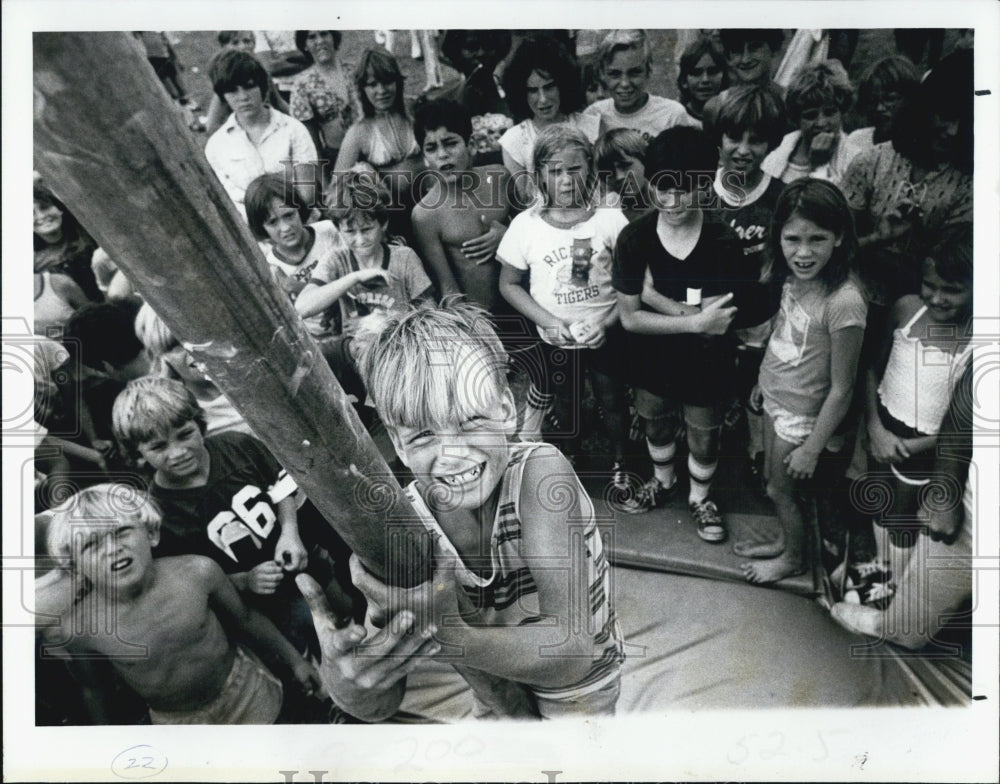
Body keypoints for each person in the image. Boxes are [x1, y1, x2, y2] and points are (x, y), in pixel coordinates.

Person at [343, 302, 626, 718]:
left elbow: (571, 649)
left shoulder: (540, 474)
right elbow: (376, 703)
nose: (452, 454)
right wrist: (346, 674)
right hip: (493, 676)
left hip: (579, 686)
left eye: (470, 420)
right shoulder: (409, 522)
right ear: (399, 444)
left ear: (507, 410)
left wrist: (446, 637)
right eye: (423, 434)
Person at [110, 377, 361, 654]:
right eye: (159, 447)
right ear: (137, 453)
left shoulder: (238, 445)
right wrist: (244, 580)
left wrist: (290, 533)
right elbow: (190, 575)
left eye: (184, 434)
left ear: (199, 423)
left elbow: (281, 490)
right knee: (317, 638)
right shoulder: (159, 512)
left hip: (305, 559)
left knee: (347, 608)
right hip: (267, 601)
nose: (178, 452)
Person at [35, 483, 320, 724]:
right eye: (91, 544)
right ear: (75, 566)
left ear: (151, 533)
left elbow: (245, 618)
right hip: (174, 721)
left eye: (121, 531)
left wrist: (296, 661)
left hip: (246, 689)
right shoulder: (80, 628)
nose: (112, 548)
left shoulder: (198, 572)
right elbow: (94, 689)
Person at [612, 126, 744, 536]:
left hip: (707, 364)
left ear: (705, 185)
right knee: (656, 424)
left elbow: (715, 324)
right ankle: (663, 482)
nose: (671, 201)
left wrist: (654, 298)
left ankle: (700, 498)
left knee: (704, 437)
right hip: (652, 360)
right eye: (662, 189)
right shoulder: (634, 238)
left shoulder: (722, 239)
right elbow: (630, 318)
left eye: (684, 190)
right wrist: (691, 318)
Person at [744, 179, 867, 584]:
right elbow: (785, 333)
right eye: (793, 238)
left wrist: (812, 448)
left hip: (801, 415)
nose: (803, 251)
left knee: (783, 491)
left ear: (840, 238)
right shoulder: (792, 279)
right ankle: (786, 541)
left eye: (817, 239)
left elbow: (843, 388)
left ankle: (795, 558)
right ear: (778, 235)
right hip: (774, 397)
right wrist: (764, 378)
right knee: (770, 480)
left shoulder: (844, 301)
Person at [497, 124, 631, 486]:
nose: (567, 180)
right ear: (539, 175)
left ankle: (622, 460)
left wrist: (606, 325)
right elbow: (509, 285)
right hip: (556, 338)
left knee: (612, 398)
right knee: (566, 401)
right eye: (555, 171)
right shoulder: (525, 226)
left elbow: (631, 285)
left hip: (605, 333)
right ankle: (569, 457)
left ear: (590, 167)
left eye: (575, 168)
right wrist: (549, 320)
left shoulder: (610, 220)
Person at [854, 226, 973, 609]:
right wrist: (874, 426)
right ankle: (880, 568)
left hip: (922, 450)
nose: (936, 298)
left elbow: (965, 422)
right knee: (879, 504)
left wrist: (911, 445)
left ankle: (893, 587)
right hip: (882, 429)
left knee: (903, 523)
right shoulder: (907, 308)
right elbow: (872, 366)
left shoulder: (978, 340)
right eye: (930, 284)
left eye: (952, 290)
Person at [831, 355, 974, 649]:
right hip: (977, 519)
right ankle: (891, 587)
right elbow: (967, 404)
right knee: (905, 630)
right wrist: (947, 488)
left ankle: (894, 584)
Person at [841, 49, 973, 312]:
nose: (953, 131)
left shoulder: (968, 187)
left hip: (920, 315)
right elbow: (832, 246)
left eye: (967, 121)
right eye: (946, 116)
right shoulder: (873, 161)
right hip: (848, 302)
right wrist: (878, 239)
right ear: (925, 108)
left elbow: (950, 278)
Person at [708, 84, 788, 487]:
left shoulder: (780, 197)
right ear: (719, 137)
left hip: (761, 317)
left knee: (757, 393)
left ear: (771, 144)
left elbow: (786, 266)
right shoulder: (702, 192)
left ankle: (759, 457)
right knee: (712, 391)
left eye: (756, 140)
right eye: (734, 137)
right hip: (707, 314)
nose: (743, 148)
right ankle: (708, 452)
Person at [294, 171, 434, 393]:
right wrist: (354, 277)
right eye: (350, 231)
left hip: (405, 355)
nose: (360, 240)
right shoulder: (336, 260)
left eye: (367, 229)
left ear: (383, 223)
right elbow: (302, 307)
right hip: (360, 361)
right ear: (339, 229)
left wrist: (381, 324)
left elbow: (430, 317)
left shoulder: (403, 258)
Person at [410, 99, 514, 322]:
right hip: (480, 318)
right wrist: (472, 330)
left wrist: (508, 235)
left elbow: (537, 230)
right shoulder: (426, 214)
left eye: (450, 143)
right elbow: (448, 288)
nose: (442, 155)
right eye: (432, 148)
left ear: (472, 144)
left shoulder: (500, 179)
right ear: (425, 158)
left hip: (526, 301)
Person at [204, 49, 318, 209]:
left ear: (262, 86)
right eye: (232, 90)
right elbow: (229, 202)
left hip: (298, 218)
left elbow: (307, 194)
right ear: (222, 95)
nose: (243, 97)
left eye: (249, 87)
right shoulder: (216, 146)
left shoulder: (293, 130)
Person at [244, 173, 347, 340]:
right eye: (273, 222)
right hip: (318, 341)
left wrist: (296, 286)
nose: (285, 228)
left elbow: (355, 277)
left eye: (289, 215)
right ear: (262, 227)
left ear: (299, 210)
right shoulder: (272, 267)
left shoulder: (328, 232)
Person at [497, 34, 600, 200]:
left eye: (549, 87)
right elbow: (526, 203)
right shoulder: (513, 141)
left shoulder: (590, 127)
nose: (543, 99)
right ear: (521, 93)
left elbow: (601, 189)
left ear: (563, 84)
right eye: (532, 90)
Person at [133, 302, 254, 437]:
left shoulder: (256, 379)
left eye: (198, 337)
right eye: (176, 345)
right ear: (161, 357)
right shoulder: (176, 416)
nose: (192, 351)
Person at [761, 60, 864, 186]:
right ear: (796, 118)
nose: (821, 123)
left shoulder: (855, 159)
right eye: (810, 116)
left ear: (841, 111)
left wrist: (820, 165)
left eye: (830, 112)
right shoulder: (781, 147)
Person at [583, 30, 699, 141]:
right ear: (602, 74)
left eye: (634, 73)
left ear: (648, 71)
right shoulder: (593, 115)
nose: (625, 83)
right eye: (615, 74)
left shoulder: (672, 115)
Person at [436, 30, 514, 164]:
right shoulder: (444, 102)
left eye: (489, 46)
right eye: (472, 48)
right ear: (457, 52)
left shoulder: (513, 93)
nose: (481, 53)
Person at [289, 31, 357, 168]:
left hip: (372, 149)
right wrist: (326, 184)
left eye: (324, 34)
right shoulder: (302, 85)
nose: (320, 41)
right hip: (337, 158)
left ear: (333, 37)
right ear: (305, 45)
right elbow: (312, 144)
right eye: (312, 37)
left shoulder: (356, 71)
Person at [203, 31, 291, 136]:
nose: (242, 46)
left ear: (254, 43)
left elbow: (279, 103)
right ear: (224, 47)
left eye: (247, 41)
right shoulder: (227, 84)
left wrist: (297, 122)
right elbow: (212, 126)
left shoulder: (261, 73)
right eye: (235, 43)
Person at [701, 29, 785, 135]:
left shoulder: (789, 101)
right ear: (728, 56)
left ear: (774, 49)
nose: (745, 59)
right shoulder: (715, 108)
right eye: (737, 50)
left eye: (754, 47)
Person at [33, 184, 101, 303]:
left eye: (45, 207)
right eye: (31, 213)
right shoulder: (32, 259)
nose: (41, 216)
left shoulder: (85, 229)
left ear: (60, 208)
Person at [846, 55, 920, 152]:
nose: (879, 108)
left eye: (889, 99)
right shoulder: (856, 140)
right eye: (873, 101)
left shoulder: (918, 146)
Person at [595, 128, 649, 222]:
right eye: (610, 173)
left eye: (625, 166)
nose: (619, 177)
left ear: (644, 160)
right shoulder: (605, 215)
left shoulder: (668, 205)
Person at [676, 35, 729, 125]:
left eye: (713, 72)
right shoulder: (677, 118)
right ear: (684, 81)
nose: (705, 80)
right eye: (696, 73)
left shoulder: (732, 116)